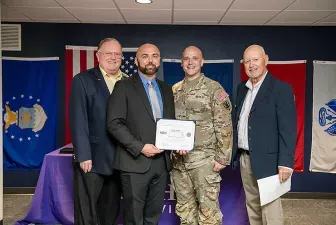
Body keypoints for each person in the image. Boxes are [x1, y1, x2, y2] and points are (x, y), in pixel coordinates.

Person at [106, 43, 175, 225]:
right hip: (134, 162)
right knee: (134, 218)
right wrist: (140, 147)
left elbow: (170, 124)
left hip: (161, 163)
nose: (150, 60)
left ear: (159, 60)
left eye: (154, 56)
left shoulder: (167, 89)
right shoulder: (123, 86)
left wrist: (178, 144)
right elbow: (114, 124)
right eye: (145, 56)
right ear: (136, 60)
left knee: (153, 217)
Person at [232, 44, 296, 225]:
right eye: (247, 61)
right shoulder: (241, 89)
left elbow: (288, 128)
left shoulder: (280, 89)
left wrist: (285, 162)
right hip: (245, 158)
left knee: (270, 211)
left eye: (255, 59)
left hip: (270, 162)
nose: (251, 65)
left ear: (265, 60)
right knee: (252, 206)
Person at [171, 46, 233, 225]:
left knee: (208, 214)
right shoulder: (175, 90)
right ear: (182, 63)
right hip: (179, 163)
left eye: (195, 58)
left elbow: (225, 125)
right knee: (185, 211)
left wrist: (222, 158)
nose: (190, 62)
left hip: (204, 161)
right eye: (186, 59)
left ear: (202, 61)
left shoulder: (214, 89)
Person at [69, 38, 128, 225]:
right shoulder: (83, 80)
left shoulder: (128, 82)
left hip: (120, 158)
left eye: (117, 54)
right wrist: (83, 155)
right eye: (108, 53)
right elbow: (79, 119)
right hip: (92, 159)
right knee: (87, 212)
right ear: (98, 55)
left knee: (110, 210)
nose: (113, 57)